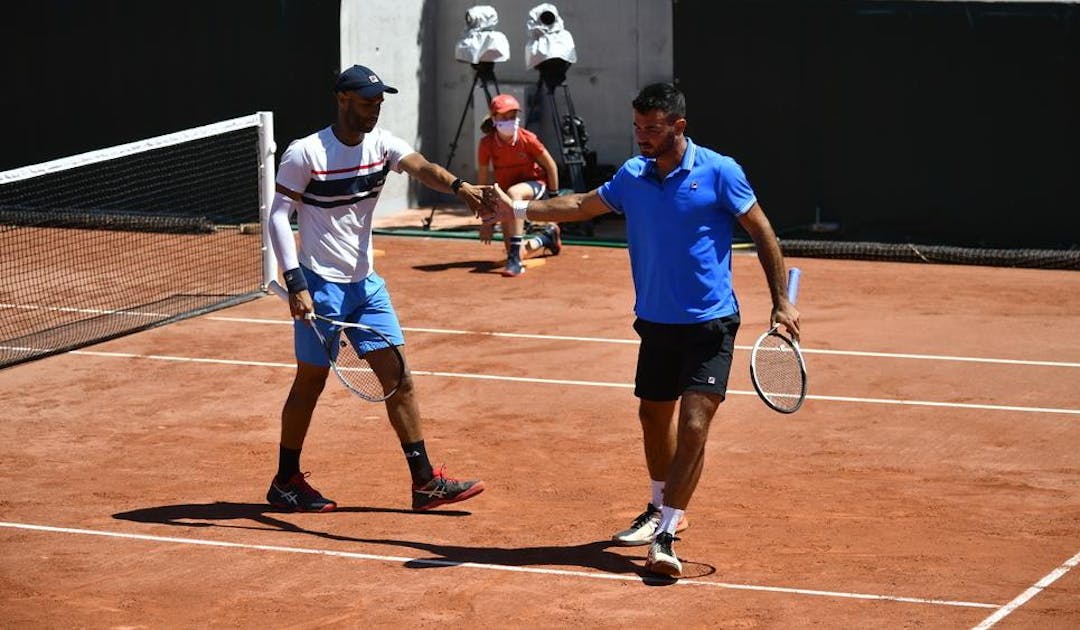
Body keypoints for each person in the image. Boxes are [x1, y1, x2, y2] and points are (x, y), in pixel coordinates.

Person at [485, 83, 800, 577]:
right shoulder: (633, 175)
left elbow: (762, 232)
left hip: (710, 323)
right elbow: (584, 205)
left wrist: (782, 302)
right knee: (654, 419)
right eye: (637, 128)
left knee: (694, 425)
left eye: (652, 129)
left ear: (679, 126)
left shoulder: (720, 171)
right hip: (656, 322)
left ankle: (668, 534)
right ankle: (658, 506)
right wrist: (518, 210)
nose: (642, 137)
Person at [265, 64, 486, 513]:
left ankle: (424, 483)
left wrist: (461, 188)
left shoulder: (382, 144)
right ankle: (285, 479)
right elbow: (277, 216)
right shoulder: (305, 153)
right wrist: (295, 282)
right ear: (342, 99)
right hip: (318, 284)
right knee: (311, 380)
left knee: (399, 378)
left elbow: (421, 166)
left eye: (379, 103)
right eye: (367, 103)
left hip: (366, 287)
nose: (374, 111)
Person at [476, 93, 562, 277]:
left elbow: (551, 166)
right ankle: (546, 238)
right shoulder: (486, 144)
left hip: (535, 187)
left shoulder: (527, 138)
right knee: (513, 252)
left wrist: (554, 200)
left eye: (513, 116)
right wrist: (486, 218)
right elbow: (482, 183)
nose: (510, 121)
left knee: (514, 193)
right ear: (494, 119)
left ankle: (515, 259)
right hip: (508, 195)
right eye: (504, 117)